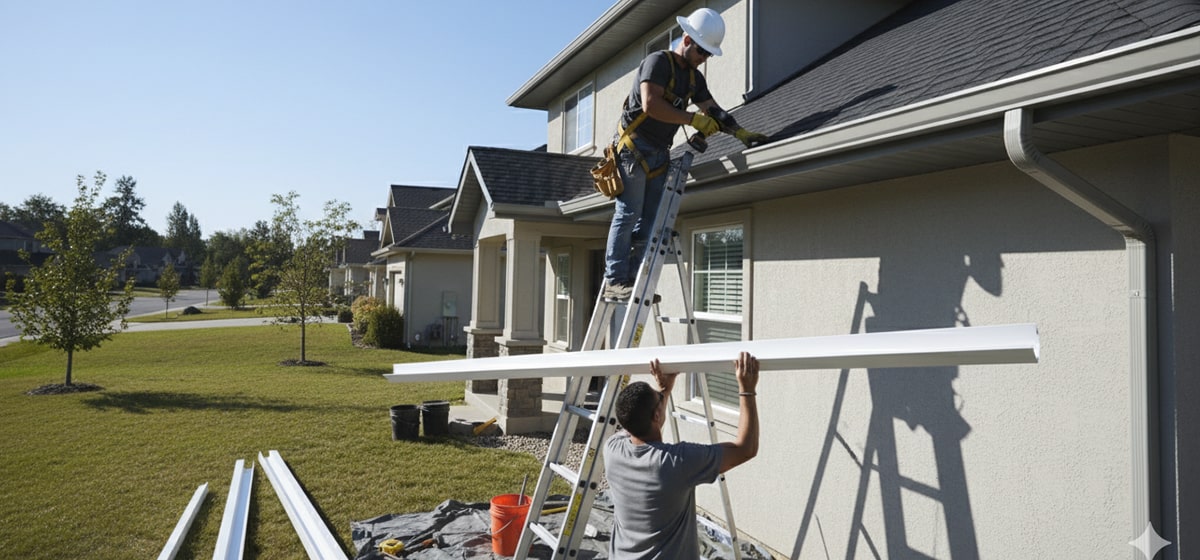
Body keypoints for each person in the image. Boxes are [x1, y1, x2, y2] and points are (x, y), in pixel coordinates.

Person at [603, 8, 768, 301]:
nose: (704, 59)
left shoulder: (694, 79)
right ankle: (616, 279)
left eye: (708, 54)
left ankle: (636, 281)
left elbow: (713, 110)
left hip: (658, 155)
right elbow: (650, 105)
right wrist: (692, 120)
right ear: (687, 39)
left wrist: (740, 132)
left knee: (650, 222)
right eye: (702, 52)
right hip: (633, 149)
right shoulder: (657, 62)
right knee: (628, 214)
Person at [604, 351, 761, 558]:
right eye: (659, 399)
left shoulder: (612, 449)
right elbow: (745, 449)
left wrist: (663, 391)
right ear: (657, 414)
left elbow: (645, 423)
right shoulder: (676, 463)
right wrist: (746, 390)